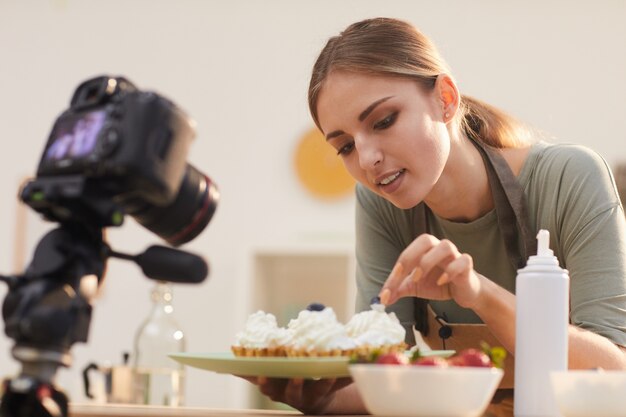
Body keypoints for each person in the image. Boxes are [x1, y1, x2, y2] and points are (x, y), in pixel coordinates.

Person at [247, 17, 626, 416]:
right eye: (344, 147)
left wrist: (478, 292)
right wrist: (319, 399)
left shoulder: (568, 177)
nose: (367, 158)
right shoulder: (381, 205)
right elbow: (387, 374)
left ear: (445, 98)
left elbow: (615, 370)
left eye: (383, 121)